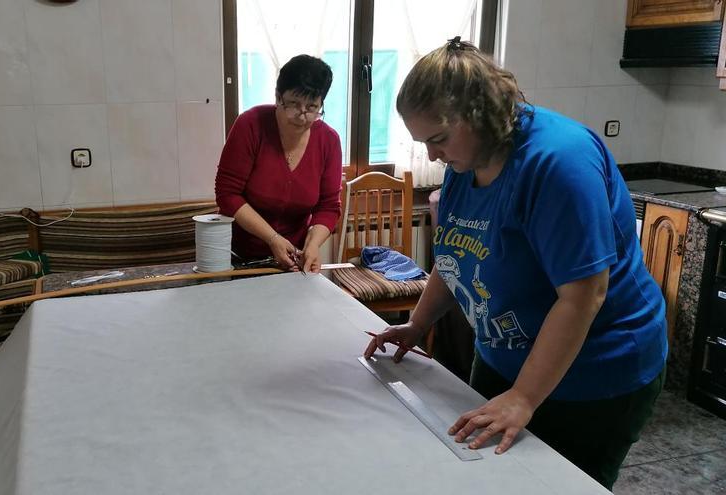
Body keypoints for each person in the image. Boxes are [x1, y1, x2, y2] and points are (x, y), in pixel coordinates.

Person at [363, 37, 667, 490]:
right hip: (504, 355)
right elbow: (453, 258)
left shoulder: (558, 163)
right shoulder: (464, 165)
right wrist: (416, 324)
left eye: (438, 139)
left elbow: (585, 294)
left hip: (597, 374)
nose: (432, 155)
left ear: (480, 112)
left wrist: (524, 397)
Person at [215, 55, 342, 273]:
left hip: (293, 259)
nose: (302, 116)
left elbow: (328, 206)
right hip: (239, 259)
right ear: (277, 97)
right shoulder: (250, 125)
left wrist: (312, 244)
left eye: (312, 107)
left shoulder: (329, 141)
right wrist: (272, 238)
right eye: (293, 104)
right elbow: (227, 194)